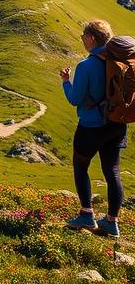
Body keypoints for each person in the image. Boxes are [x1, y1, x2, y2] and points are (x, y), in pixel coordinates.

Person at [62, 19, 126, 238]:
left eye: (83, 36)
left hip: (91, 127)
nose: (82, 39)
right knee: (113, 172)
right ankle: (111, 222)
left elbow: (75, 99)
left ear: (91, 38)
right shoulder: (118, 61)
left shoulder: (86, 66)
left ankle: (86, 215)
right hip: (116, 125)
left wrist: (65, 82)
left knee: (80, 166)